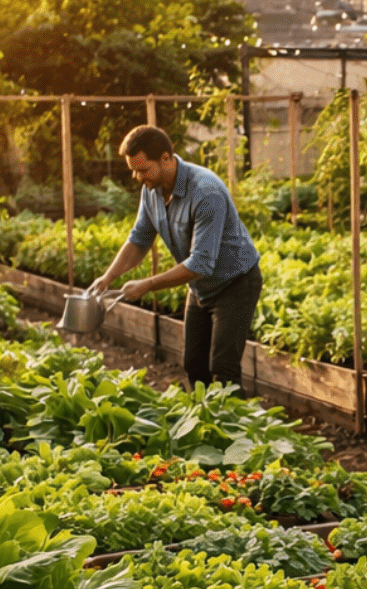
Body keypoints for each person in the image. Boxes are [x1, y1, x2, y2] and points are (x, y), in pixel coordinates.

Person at [88, 123, 263, 390]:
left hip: (235, 284)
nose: (137, 177)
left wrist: (147, 285)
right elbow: (139, 239)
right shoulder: (151, 191)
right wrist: (108, 277)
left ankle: (234, 429)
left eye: (142, 169)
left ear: (166, 159)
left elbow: (201, 263)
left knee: (223, 368)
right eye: (133, 170)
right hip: (200, 288)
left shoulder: (205, 191)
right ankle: (203, 424)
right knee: (194, 363)